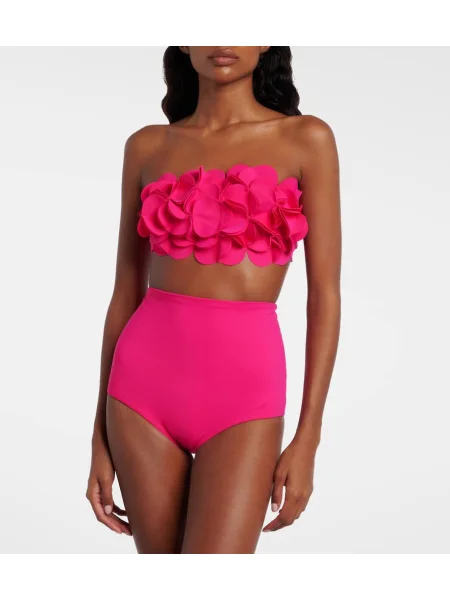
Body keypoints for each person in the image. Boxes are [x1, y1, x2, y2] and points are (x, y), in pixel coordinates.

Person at [86, 46, 341, 554]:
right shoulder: (147, 146)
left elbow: (325, 296)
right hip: (139, 392)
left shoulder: (306, 138)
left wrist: (308, 436)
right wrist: (98, 433)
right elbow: (125, 292)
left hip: (246, 397)